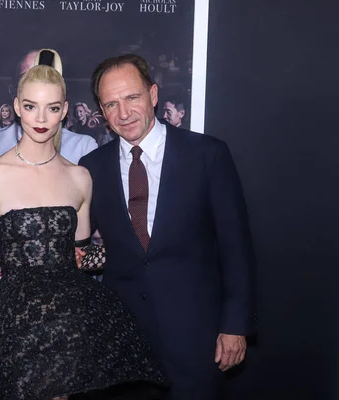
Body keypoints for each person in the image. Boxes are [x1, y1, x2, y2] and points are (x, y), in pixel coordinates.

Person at [0, 49, 166, 400]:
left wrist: (122, 255)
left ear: (65, 111)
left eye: (52, 108)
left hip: (69, 324)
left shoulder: (79, 177)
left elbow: (81, 255)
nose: (41, 117)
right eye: (30, 106)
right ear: (16, 106)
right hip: (12, 325)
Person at [79, 54, 255, 400]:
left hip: (197, 340)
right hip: (123, 345)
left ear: (154, 95)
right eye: (111, 104)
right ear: (101, 111)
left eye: (132, 98)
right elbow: (81, 244)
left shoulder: (207, 155)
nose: (124, 113)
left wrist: (235, 326)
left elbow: (236, 248)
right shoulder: (91, 167)